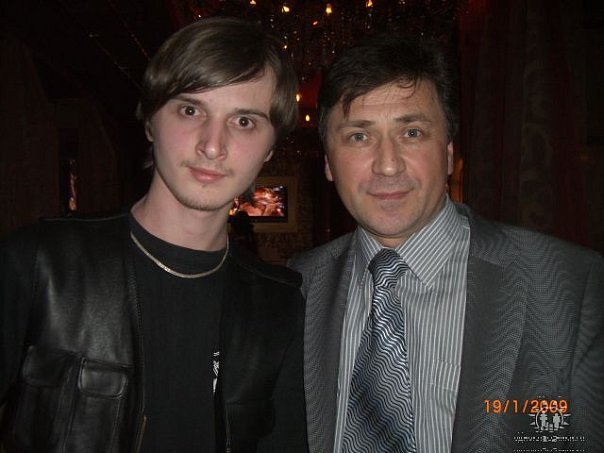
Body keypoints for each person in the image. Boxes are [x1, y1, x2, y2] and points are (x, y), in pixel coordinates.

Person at [1, 17, 307, 452]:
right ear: (150, 122)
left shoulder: (279, 305)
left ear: (270, 148)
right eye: (190, 110)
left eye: (243, 121)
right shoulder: (40, 264)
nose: (212, 145)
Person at [288, 33, 604, 452]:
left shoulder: (571, 286)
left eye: (412, 132)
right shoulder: (295, 287)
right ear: (329, 163)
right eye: (359, 137)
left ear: (449, 151)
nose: (387, 165)